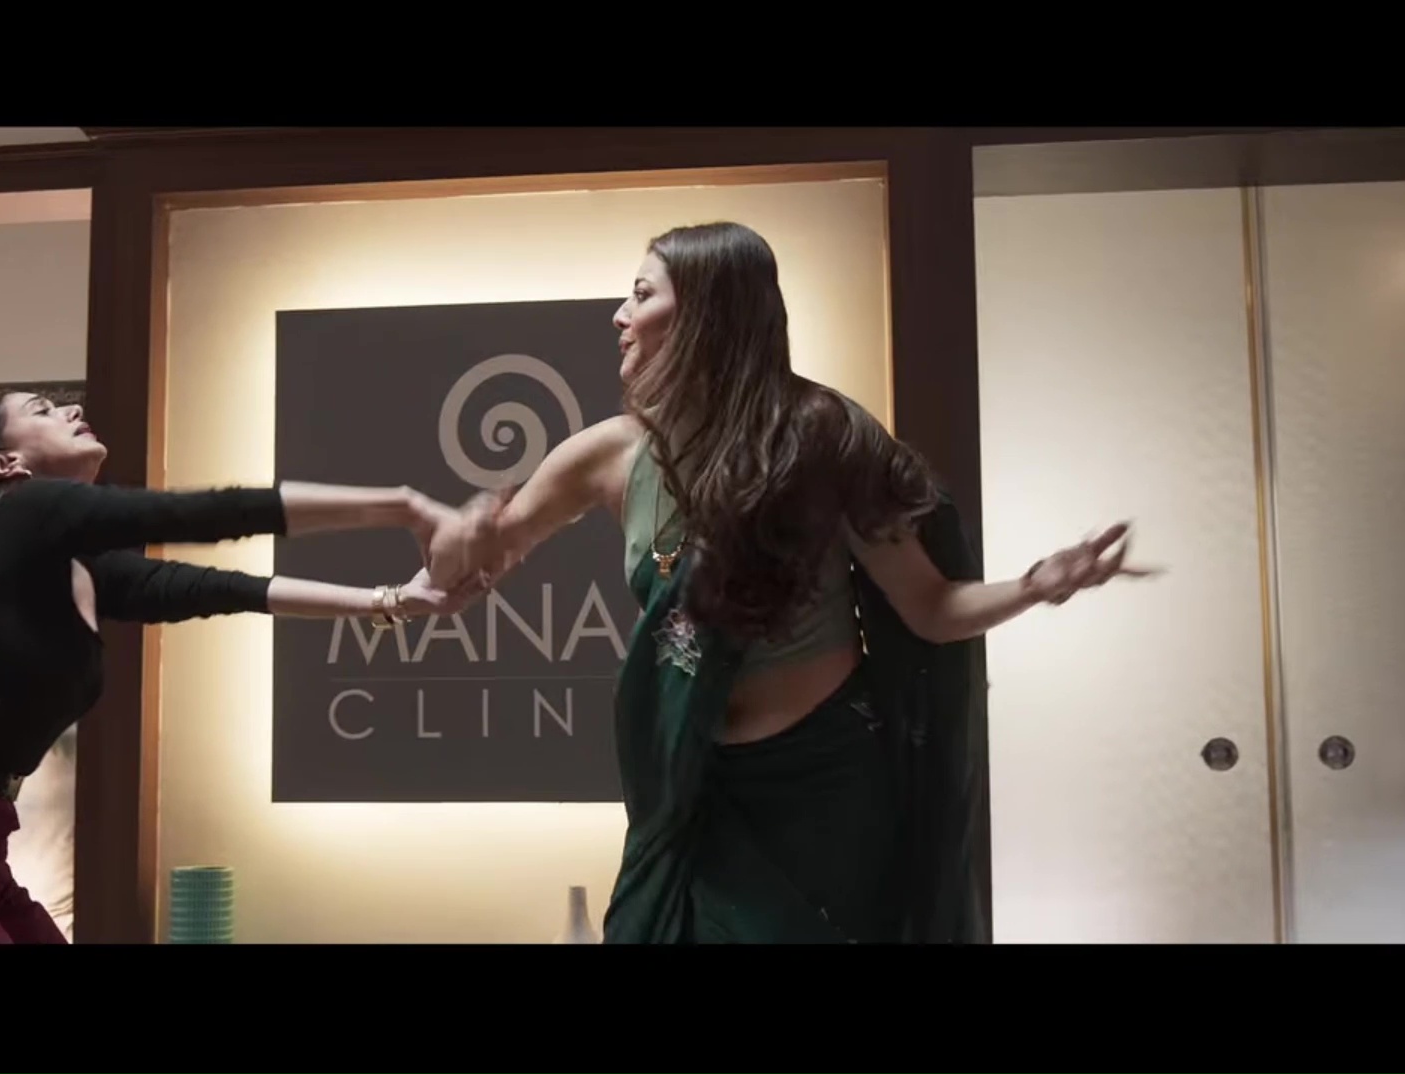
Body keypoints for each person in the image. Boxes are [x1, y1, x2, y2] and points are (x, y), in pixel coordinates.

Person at [426, 221, 1154, 943]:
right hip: (693, 785)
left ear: (708, 309)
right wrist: (451, 542)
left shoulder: (821, 436)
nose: (619, 315)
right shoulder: (609, 456)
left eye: (641, 294)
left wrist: (1036, 584)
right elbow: (483, 553)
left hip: (825, 786)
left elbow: (930, 607)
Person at [0, 390, 492, 943]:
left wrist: (393, 602)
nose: (74, 409)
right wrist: (405, 506)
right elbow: (199, 513)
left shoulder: (72, 565)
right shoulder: (21, 511)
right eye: (43, 410)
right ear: (2, 464)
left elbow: (223, 590)